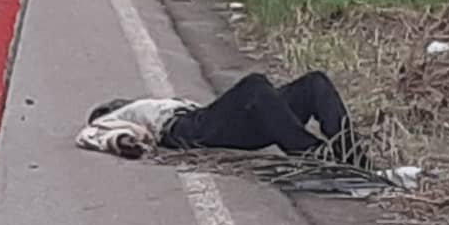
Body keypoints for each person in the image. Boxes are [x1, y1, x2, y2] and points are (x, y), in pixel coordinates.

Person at [75, 71, 369, 166]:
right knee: (255, 85)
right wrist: (125, 142)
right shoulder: (113, 119)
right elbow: (96, 136)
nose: (118, 102)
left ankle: (352, 156)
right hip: (186, 130)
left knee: (313, 84)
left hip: (208, 120)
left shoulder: (149, 105)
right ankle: (311, 154)